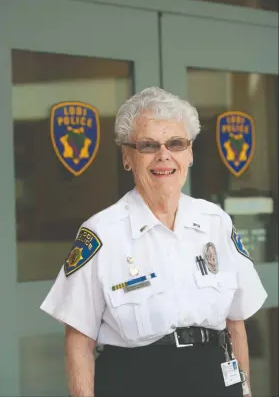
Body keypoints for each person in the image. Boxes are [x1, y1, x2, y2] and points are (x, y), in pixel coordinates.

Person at [40, 86, 267, 397]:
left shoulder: (216, 222)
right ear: (127, 158)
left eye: (176, 143)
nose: (164, 155)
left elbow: (235, 324)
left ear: (189, 154)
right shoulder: (102, 233)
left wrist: (246, 390)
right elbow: (79, 338)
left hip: (213, 378)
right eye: (148, 145)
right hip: (136, 380)